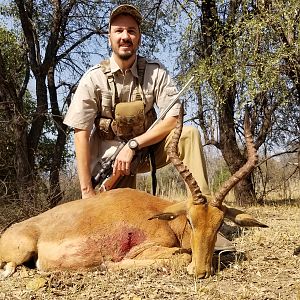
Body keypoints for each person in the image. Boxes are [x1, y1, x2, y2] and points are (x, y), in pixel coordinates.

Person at [63, 3, 235, 252]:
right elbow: (80, 132)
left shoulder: (155, 72)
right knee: (110, 225)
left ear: (139, 37)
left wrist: (134, 144)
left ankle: (204, 219)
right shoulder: (92, 78)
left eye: (131, 31)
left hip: (146, 150)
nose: (125, 37)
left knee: (189, 135)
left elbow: (174, 118)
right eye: (119, 30)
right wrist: (86, 191)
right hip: (111, 165)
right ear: (109, 35)